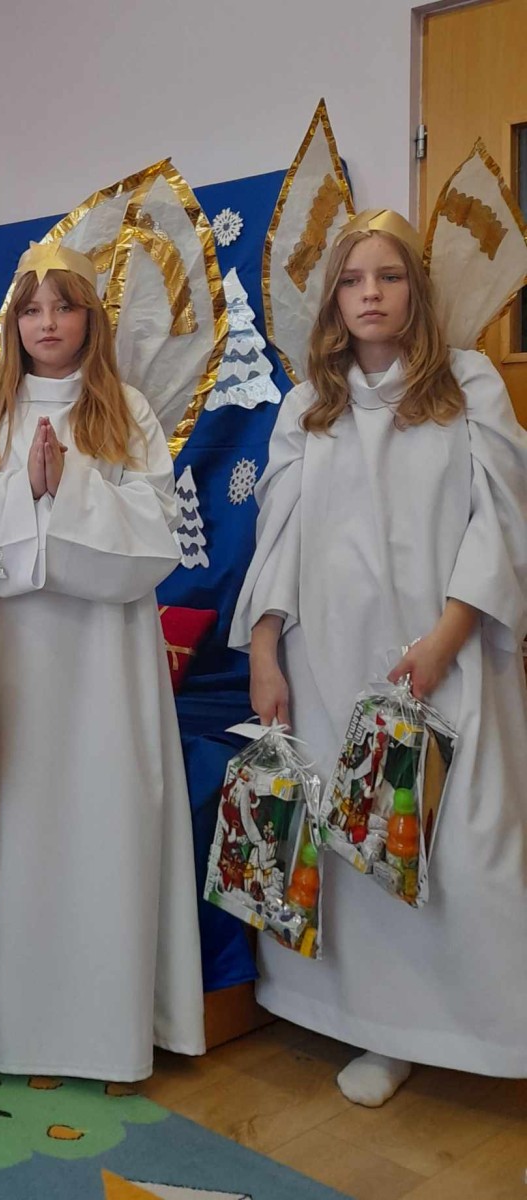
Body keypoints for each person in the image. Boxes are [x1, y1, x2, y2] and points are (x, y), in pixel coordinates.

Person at [232, 210, 527, 1107]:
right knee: (359, 851)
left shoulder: (467, 385)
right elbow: (277, 539)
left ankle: (491, 1028)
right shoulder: (307, 408)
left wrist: (444, 639)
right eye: (353, 280)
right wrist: (264, 651)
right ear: (332, 300)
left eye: (388, 277)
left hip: (444, 659)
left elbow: (499, 523)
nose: (370, 294)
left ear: (414, 290)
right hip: (328, 663)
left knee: (465, 848)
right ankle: (379, 1030)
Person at [0, 241, 205, 1082]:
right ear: (12, 324)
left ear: (91, 318)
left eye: (63, 306)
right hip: (16, 663)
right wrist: (23, 491)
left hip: (103, 661)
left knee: (102, 825)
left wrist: (68, 487)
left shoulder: (125, 410)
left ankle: (105, 1035)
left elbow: (155, 536)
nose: (46, 322)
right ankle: (16, 1029)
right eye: (30, 308)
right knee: (19, 824)